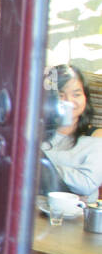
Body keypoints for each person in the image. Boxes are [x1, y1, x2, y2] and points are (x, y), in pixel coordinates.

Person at [43, 63, 102, 197]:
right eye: (60, 95)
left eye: (76, 94)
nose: (68, 101)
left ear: (86, 98)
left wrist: (38, 170)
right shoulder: (36, 132)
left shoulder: (97, 137)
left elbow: (86, 184)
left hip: (77, 214)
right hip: (34, 210)